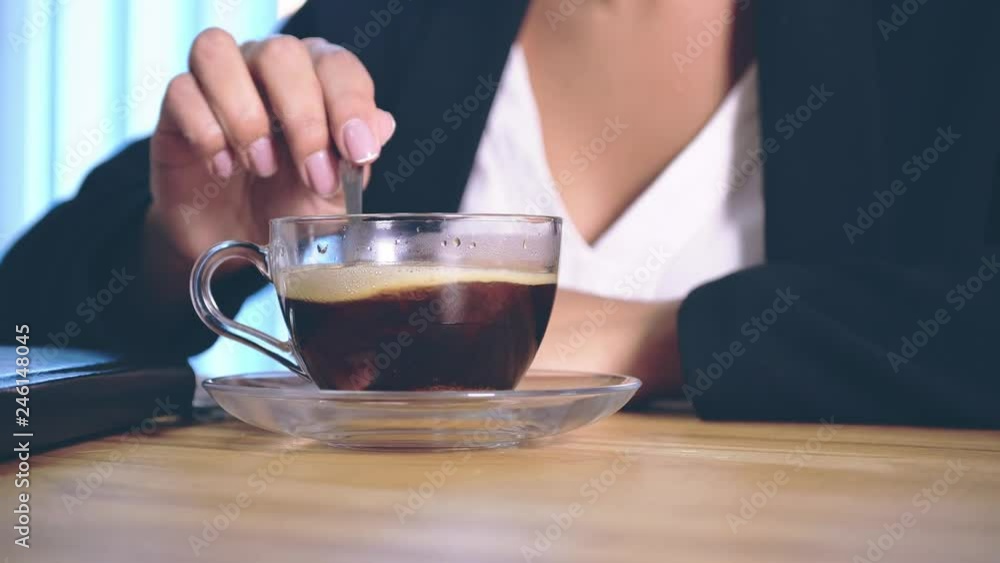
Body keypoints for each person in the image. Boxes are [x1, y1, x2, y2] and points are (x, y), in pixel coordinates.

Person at [2, 0, 998, 427]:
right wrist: (179, 245)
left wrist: (661, 336)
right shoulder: (394, 18)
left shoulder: (939, 34)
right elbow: (22, 313)